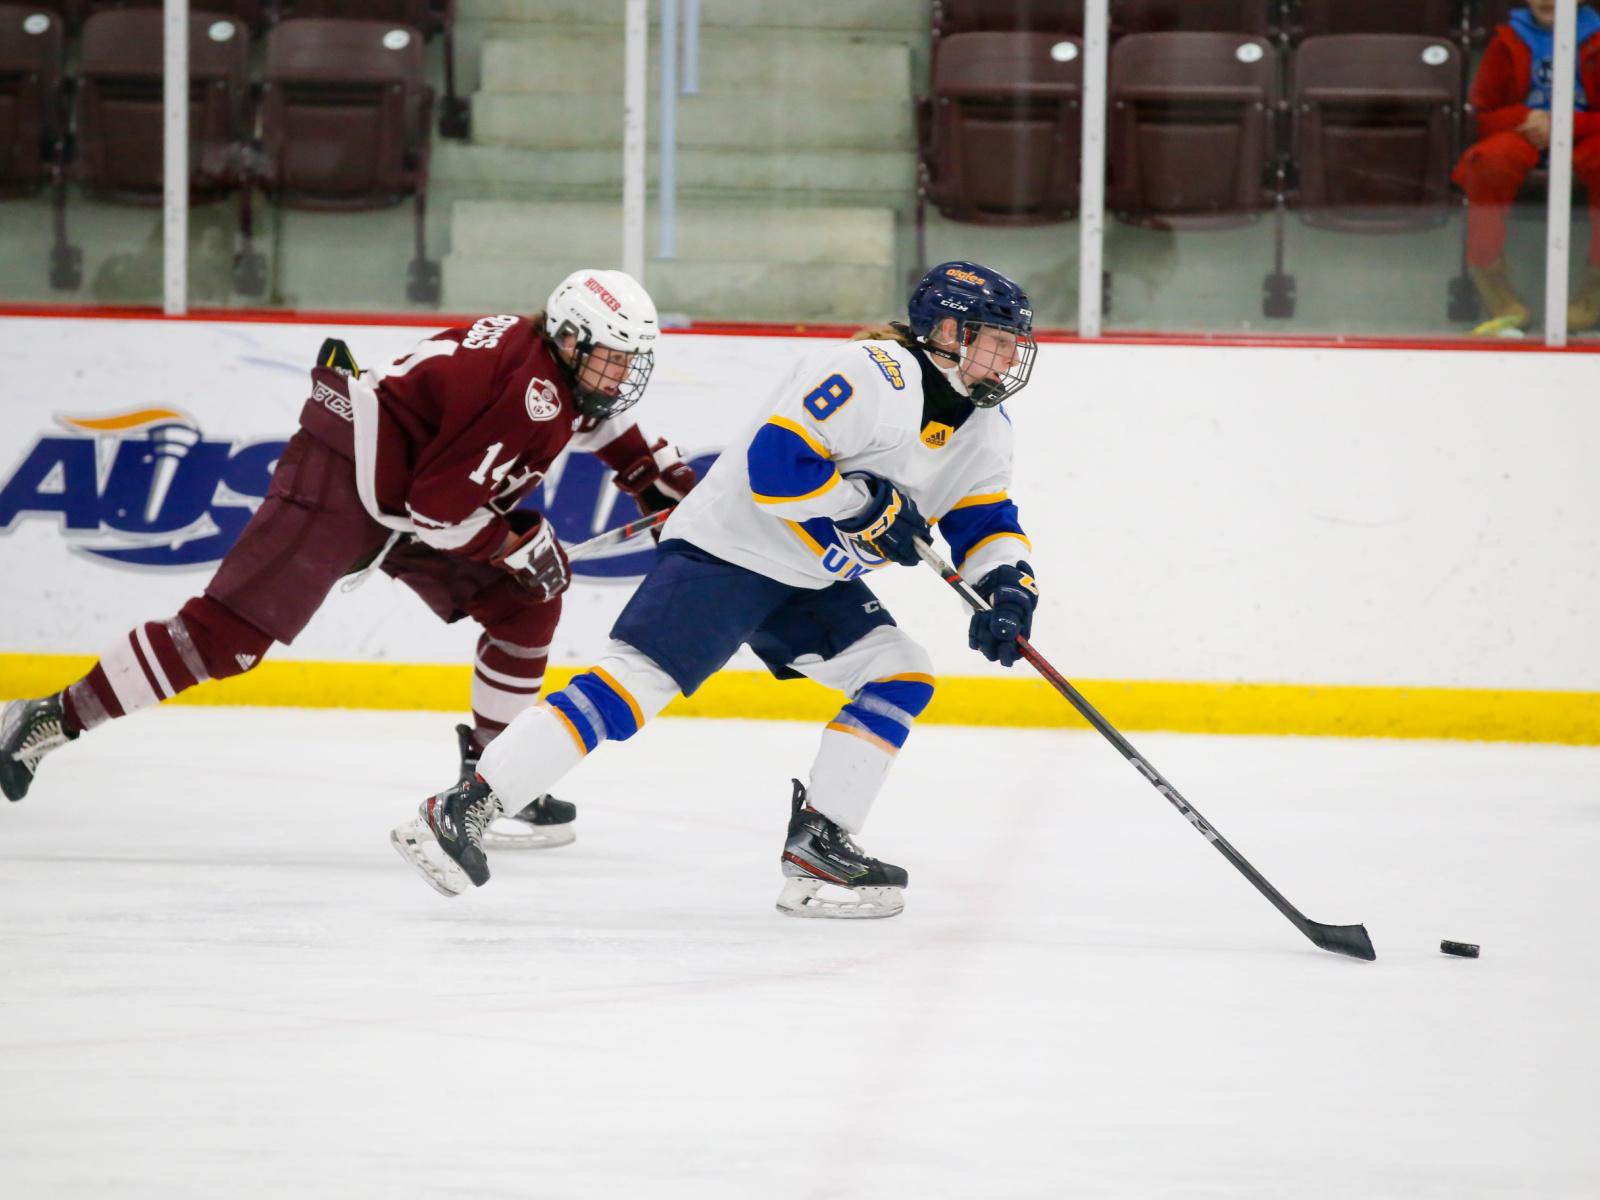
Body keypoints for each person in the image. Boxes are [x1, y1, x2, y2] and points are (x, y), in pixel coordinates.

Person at [391, 261, 1042, 918]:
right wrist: (862, 507)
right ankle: (463, 808)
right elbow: (777, 469)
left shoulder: (985, 430)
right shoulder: (874, 374)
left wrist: (1009, 590)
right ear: (949, 332)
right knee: (632, 686)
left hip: (810, 579)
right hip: (730, 551)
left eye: (1015, 342)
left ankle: (821, 841)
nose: (1011, 355)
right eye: (998, 338)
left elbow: (983, 520)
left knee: (900, 671)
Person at [0, 269, 697, 849]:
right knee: (227, 640)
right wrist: (514, 544)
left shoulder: (552, 369)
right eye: (612, 356)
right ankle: (49, 717)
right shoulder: (532, 397)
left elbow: (608, 429)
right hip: (346, 473)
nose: (622, 374)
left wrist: (669, 490)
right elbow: (441, 512)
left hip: (403, 490)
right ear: (570, 339)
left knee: (525, 600)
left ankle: (493, 780)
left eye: (630, 360)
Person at [1453, 0, 1600, 334]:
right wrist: (1525, 118)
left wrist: (1566, 123)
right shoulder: (1507, 39)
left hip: (1588, 132)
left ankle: (1595, 287)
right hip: (1524, 133)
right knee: (1487, 164)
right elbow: (1484, 114)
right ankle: (1493, 282)